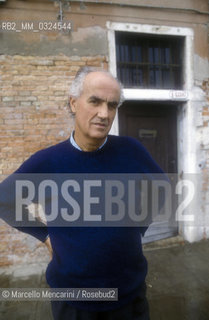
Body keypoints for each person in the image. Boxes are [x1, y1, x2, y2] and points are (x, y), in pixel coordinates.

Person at [0, 66, 164, 319]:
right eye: (95, 102)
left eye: (112, 105)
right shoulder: (47, 162)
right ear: (74, 103)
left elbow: (160, 186)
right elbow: (5, 201)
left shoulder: (132, 150)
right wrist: (44, 235)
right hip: (74, 301)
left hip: (130, 294)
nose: (104, 113)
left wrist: (138, 226)